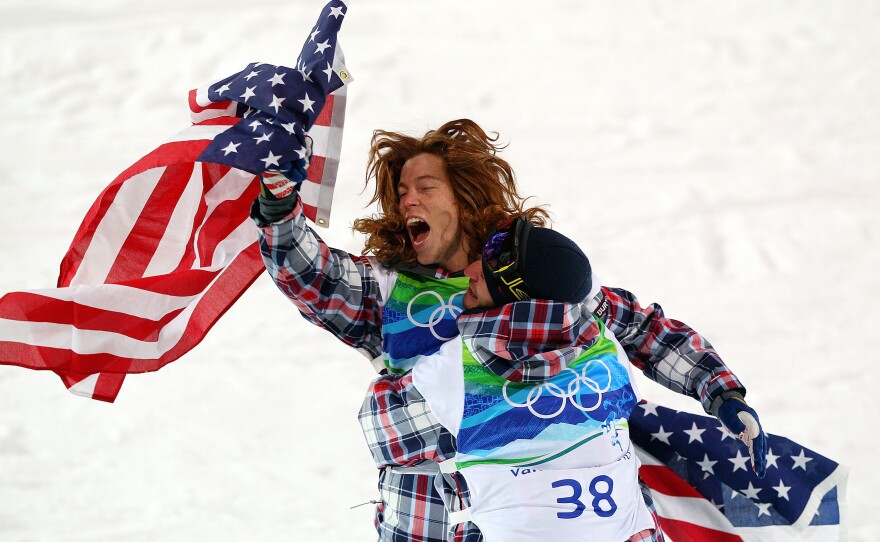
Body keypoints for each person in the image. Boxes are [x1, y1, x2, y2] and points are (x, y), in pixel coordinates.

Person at [250, 118, 767, 542]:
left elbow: (643, 328)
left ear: (465, 197)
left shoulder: (538, 279)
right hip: (428, 516)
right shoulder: (391, 290)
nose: (408, 200)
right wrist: (279, 207)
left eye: (424, 187)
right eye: (400, 191)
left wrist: (721, 391)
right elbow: (313, 275)